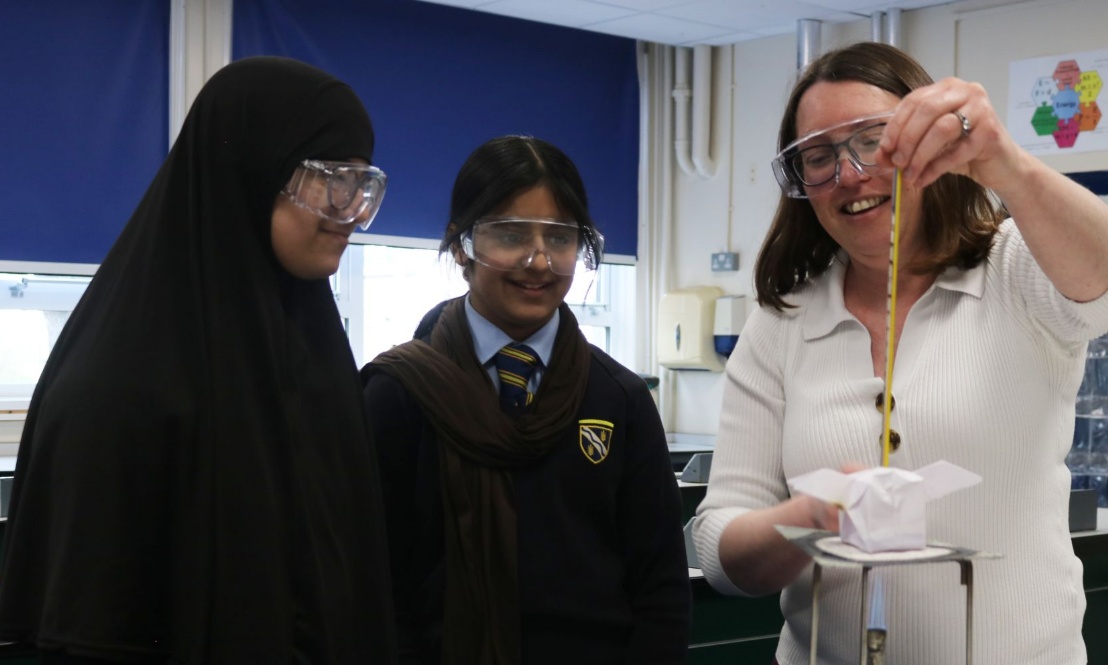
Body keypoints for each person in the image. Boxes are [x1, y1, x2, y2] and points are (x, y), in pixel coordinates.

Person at [692, 41, 1108, 665]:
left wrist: (1005, 164)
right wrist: (811, 517)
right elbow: (719, 552)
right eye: (819, 156)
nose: (851, 174)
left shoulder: (1016, 272)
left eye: (874, 141)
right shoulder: (782, 324)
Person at [0, 57, 398, 663]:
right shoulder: (117, 385)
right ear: (252, 171)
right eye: (332, 179)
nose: (352, 211)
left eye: (364, 184)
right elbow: (91, 621)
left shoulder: (316, 352)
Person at [361, 135, 691, 664]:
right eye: (511, 235)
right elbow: (372, 583)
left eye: (559, 239)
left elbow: (661, 590)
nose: (538, 261)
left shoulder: (620, 399)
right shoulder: (399, 393)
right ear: (462, 243)